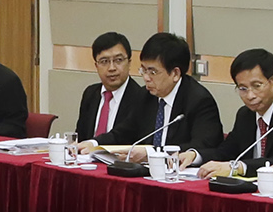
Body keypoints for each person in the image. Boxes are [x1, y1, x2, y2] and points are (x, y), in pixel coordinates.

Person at [182, 49, 273, 177]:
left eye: (257, 86)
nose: (250, 96)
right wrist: (195, 155)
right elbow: (225, 152)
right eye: (243, 88)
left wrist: (239, 167)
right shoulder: (245, 115)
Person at [88, 32, 223, 163]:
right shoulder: (145, 96)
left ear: (175, 74)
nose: (146, 78)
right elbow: (123, 132)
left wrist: (151, 153)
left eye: (152, 72)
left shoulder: (199, 101)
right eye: (143, 70)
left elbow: (202, 147)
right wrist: (94, 143)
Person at [68, 33, 148, 146]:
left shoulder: (141, 98)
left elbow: (128, 139)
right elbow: (81, 137)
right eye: (104, 61)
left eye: (118, 60)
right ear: (96, 66)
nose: (111, 68)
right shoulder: (90, 93)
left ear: (129, 63)